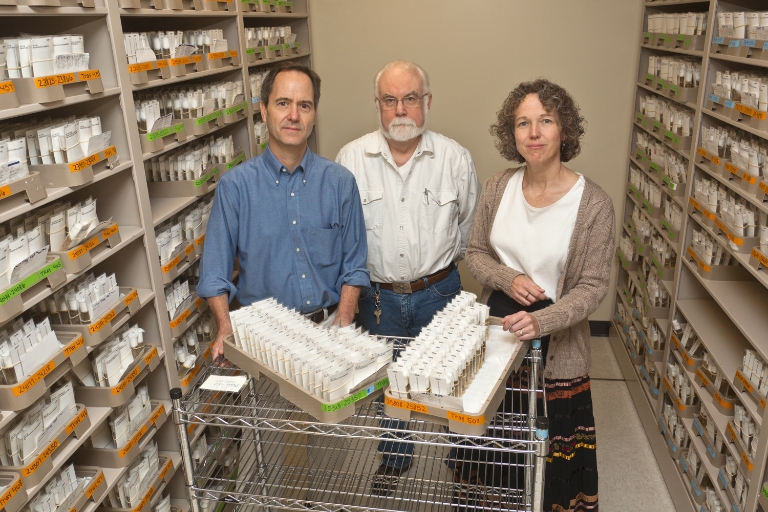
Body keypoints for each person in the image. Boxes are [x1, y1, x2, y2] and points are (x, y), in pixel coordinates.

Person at [465, 78, 614, 511]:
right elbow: (474, 252)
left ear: (564, 129)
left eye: (545, 121)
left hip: (557, 344)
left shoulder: (593, 205)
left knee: (550, 463)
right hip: (498, 334)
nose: (533, 133)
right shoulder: (498, 187)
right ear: (511, 135)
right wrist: (508, 279)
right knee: (495, 454)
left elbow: (592, 287)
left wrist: (542, 320)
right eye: (523, 123)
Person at [336, 60, 480, 493]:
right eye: (390, 100)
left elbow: (468, 229)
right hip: (377, 297)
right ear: (378, 105)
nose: (401, 110)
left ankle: (463, 466)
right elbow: (342, 235)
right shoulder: (351, 158)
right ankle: (396, 459)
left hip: (439, 292)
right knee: (390, 383)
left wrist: (431, 274)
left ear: (427, 102)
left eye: (410, 99)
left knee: (453, 382)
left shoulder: (454, 158)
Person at [198, 63, 370, 363]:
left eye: (304, 105)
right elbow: (214, 274)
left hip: (328, 334)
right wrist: (225, 328)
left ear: (314, 115)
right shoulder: (235, 187)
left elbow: (354, 266)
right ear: (264, 110)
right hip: (264, 341)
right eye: (283, 104)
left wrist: (343, 323)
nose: (294, 115)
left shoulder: (340, 183)